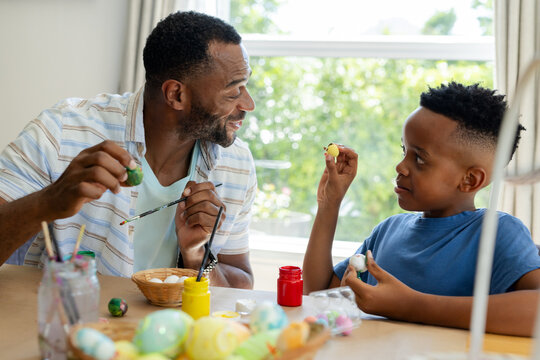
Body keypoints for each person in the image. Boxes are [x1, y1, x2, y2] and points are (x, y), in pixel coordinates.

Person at [0, 11, 257, 288]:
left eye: (246, 86)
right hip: (60, 326)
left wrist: (197, 255)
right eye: (233, 92)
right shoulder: (63, 131)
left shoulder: (236, 163)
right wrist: (48, 201)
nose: (248, 104)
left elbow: (239, 286)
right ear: (176, 95)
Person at [303, 82, 540, 336]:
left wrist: (408, 305)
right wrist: (329, 205)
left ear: (470, 180)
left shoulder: (497, 232)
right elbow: (319, 293)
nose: (400, 167)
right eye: (404, 151)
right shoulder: (387, 231)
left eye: (419, 158)